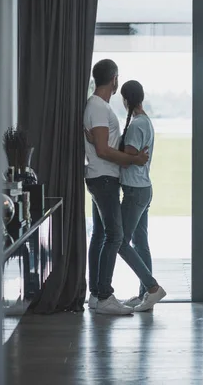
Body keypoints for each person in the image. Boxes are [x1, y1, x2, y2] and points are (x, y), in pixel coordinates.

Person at [84, 59, 149, 315]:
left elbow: (100, 145)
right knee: (115, 236)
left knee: (100, 235)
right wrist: (134, 159)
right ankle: (104, 296)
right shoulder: (99, 108)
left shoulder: (96, 107)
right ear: (114, 79)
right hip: (104, 179)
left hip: (101, 177)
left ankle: (95, 295)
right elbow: (102, 150)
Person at [115, 80, 166, 312]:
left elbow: (129, 156)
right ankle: (145, 295)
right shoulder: (146, 121)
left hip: (135, 191)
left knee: (121, 243)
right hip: (143, 189)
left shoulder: (137, 125)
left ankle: (152, 288)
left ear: (126, 100)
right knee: (140, 243)